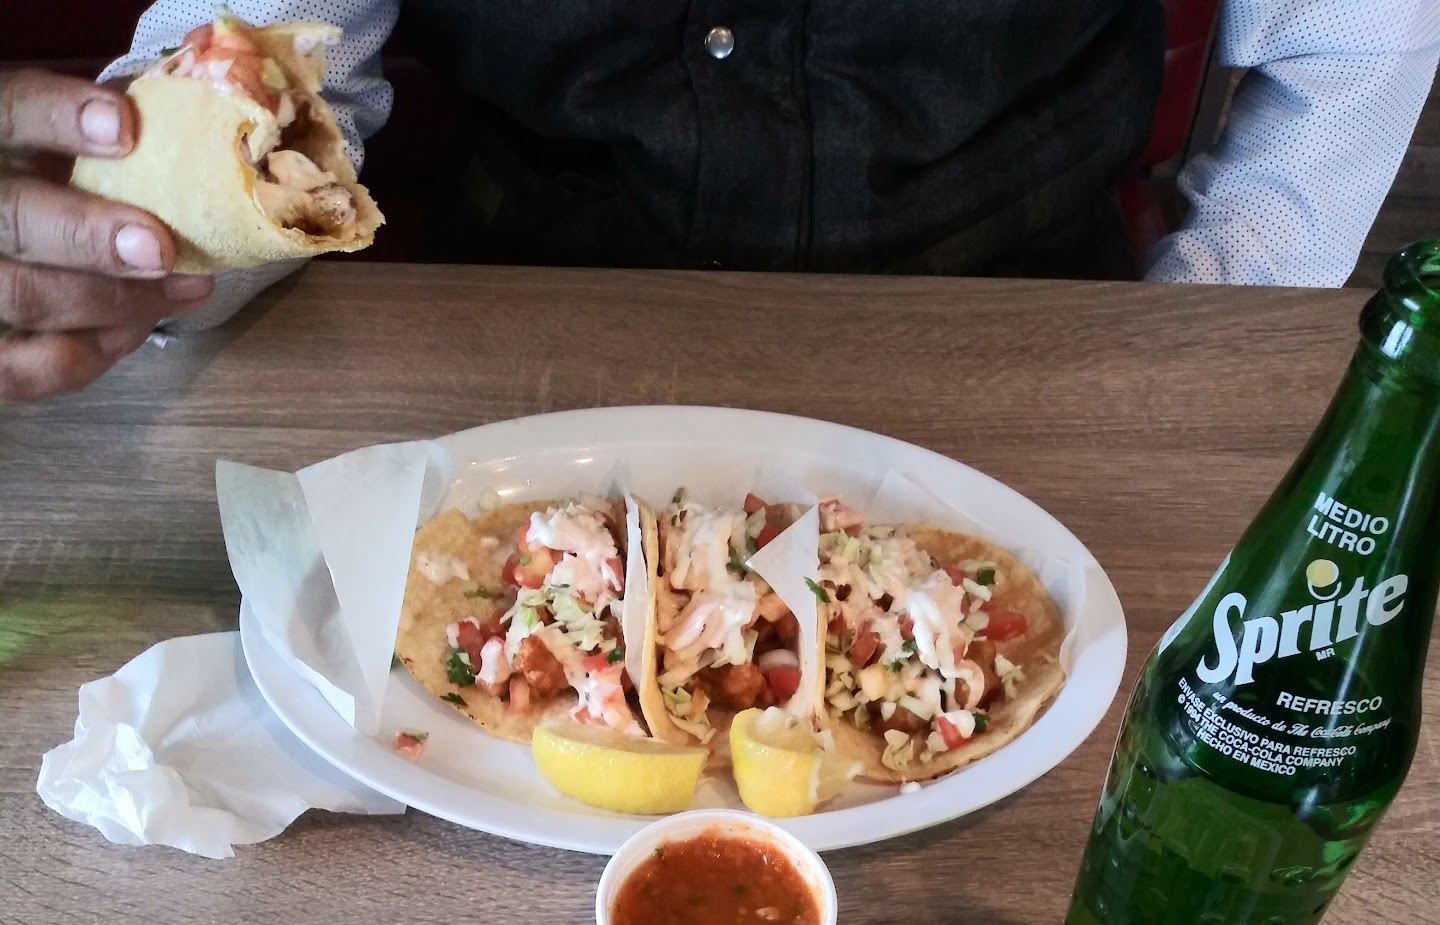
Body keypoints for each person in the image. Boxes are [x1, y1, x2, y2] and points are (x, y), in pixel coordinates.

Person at [1, 0, 1436, 403]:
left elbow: (1351, 42)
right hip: (514, 370)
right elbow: (275, 51)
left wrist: (1192, 360)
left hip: (1033, 357)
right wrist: (130, 239)